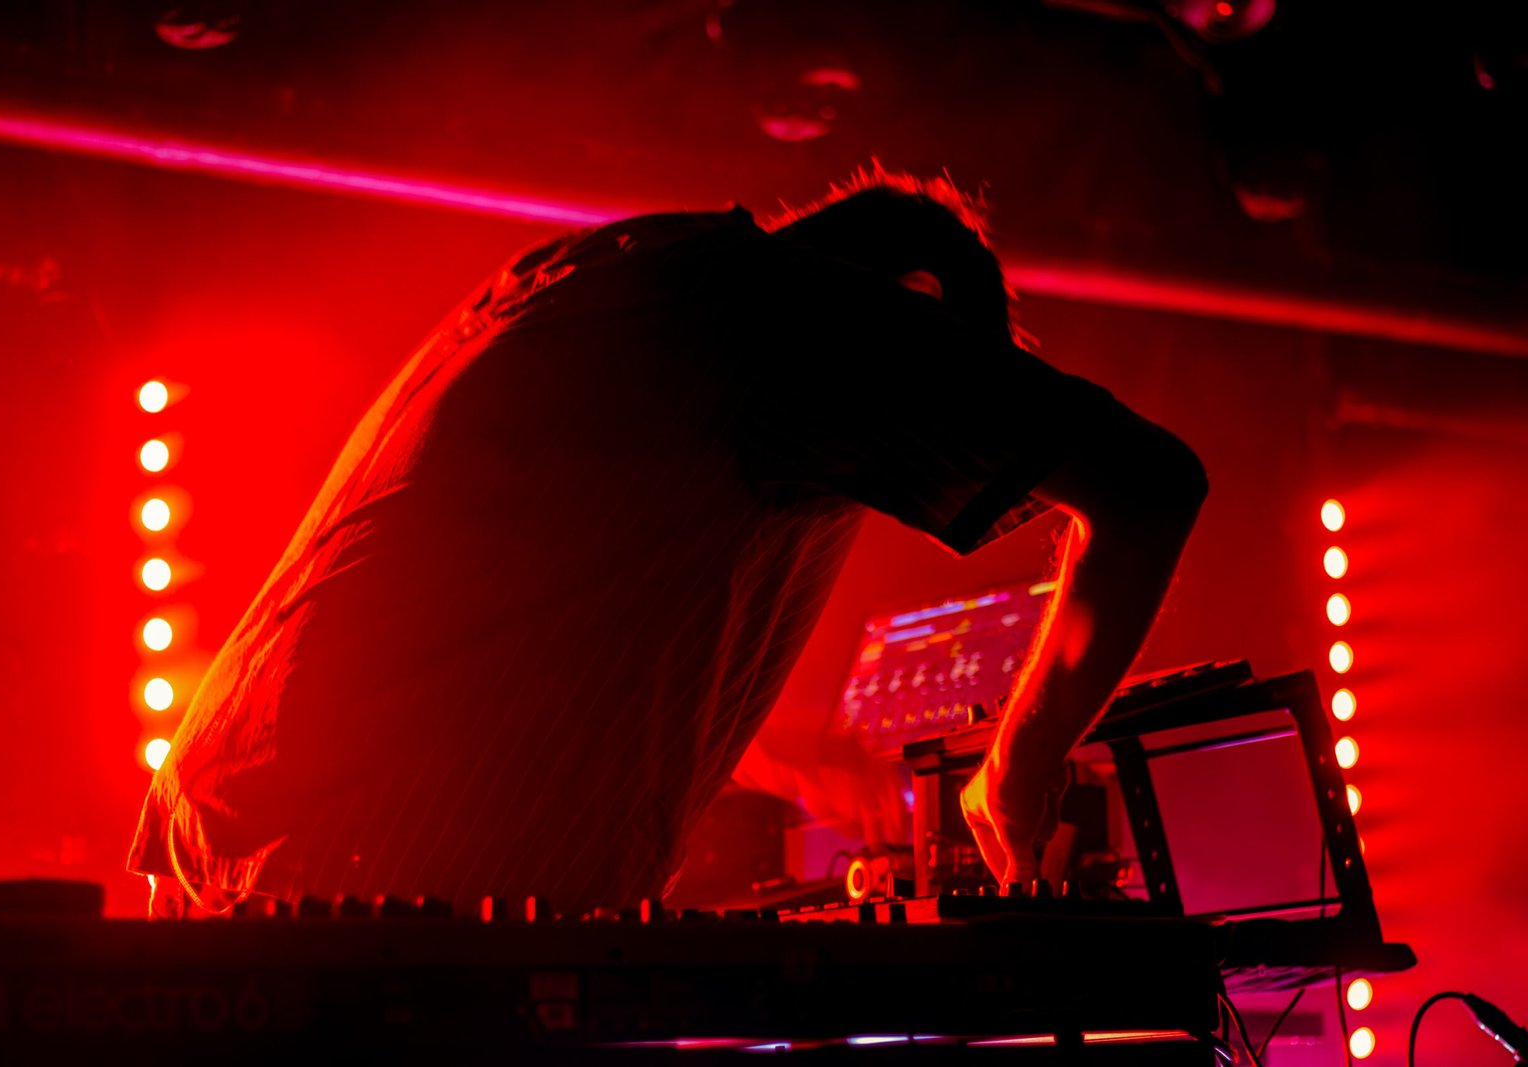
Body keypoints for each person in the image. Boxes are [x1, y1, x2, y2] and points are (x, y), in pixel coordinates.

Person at [128, 166, 1205, 918]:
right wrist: (1016, 768)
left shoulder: (611, 275)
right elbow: (1149, 486)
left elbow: (525, 607)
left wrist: (785, 755)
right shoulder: (802, 324)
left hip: (231, 838)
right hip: (395, 880)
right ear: (906, 323)